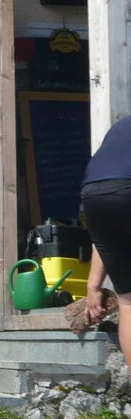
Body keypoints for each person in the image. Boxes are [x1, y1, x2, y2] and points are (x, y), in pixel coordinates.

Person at [82, 114, 131, 367]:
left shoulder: (121, 127)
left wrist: (94, 286)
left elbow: (105, 237)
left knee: (128, 301)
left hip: (94, 195)